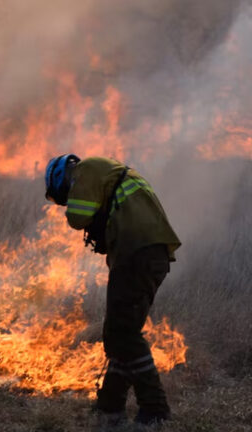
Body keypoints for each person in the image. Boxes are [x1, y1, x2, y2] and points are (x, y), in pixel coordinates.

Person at [44, 155, 181, 427]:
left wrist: (77, 209)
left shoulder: (84, 171)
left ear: (61, 178)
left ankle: (155, 410)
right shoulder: (108, 172)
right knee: (118, 333)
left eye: (64, 196)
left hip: (137, 253)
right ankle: (110, 408)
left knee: (124, 334)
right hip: (149, 254)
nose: (68, 200)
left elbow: (78, 217)